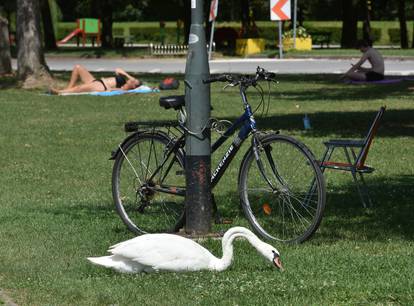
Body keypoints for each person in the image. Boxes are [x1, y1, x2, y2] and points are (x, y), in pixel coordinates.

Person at [50, 65, 142, 94]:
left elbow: (111, 90)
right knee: (77, 68)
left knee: (79, 88)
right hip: (97, 81)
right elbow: (117, 69)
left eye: (134, 82)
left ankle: (60, 92)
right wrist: (129, 76)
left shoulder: (126, 88)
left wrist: (105, 84)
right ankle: (67, 89)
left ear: (134, 86)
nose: (132, 80)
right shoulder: (125, 79)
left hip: (101, 86)